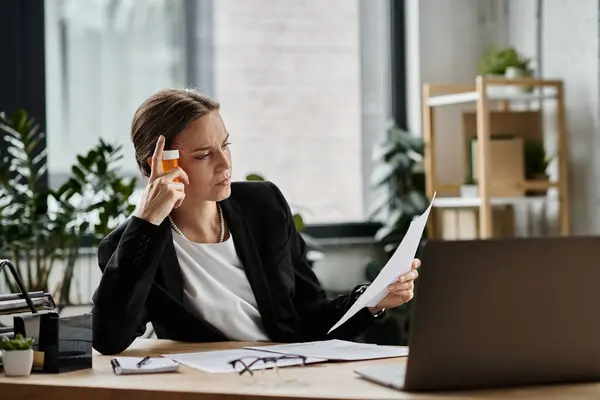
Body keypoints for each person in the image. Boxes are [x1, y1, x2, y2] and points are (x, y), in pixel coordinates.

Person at [91, 88, 421, 355]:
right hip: (210, 388)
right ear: (160, 165)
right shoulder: (130, 246)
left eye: (226, 145)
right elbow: (109, 338)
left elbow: (308, 316)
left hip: (290, 376)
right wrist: (147, 220)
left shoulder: (262, 206)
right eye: (204, 155)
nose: (225, 164)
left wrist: (371, 300)